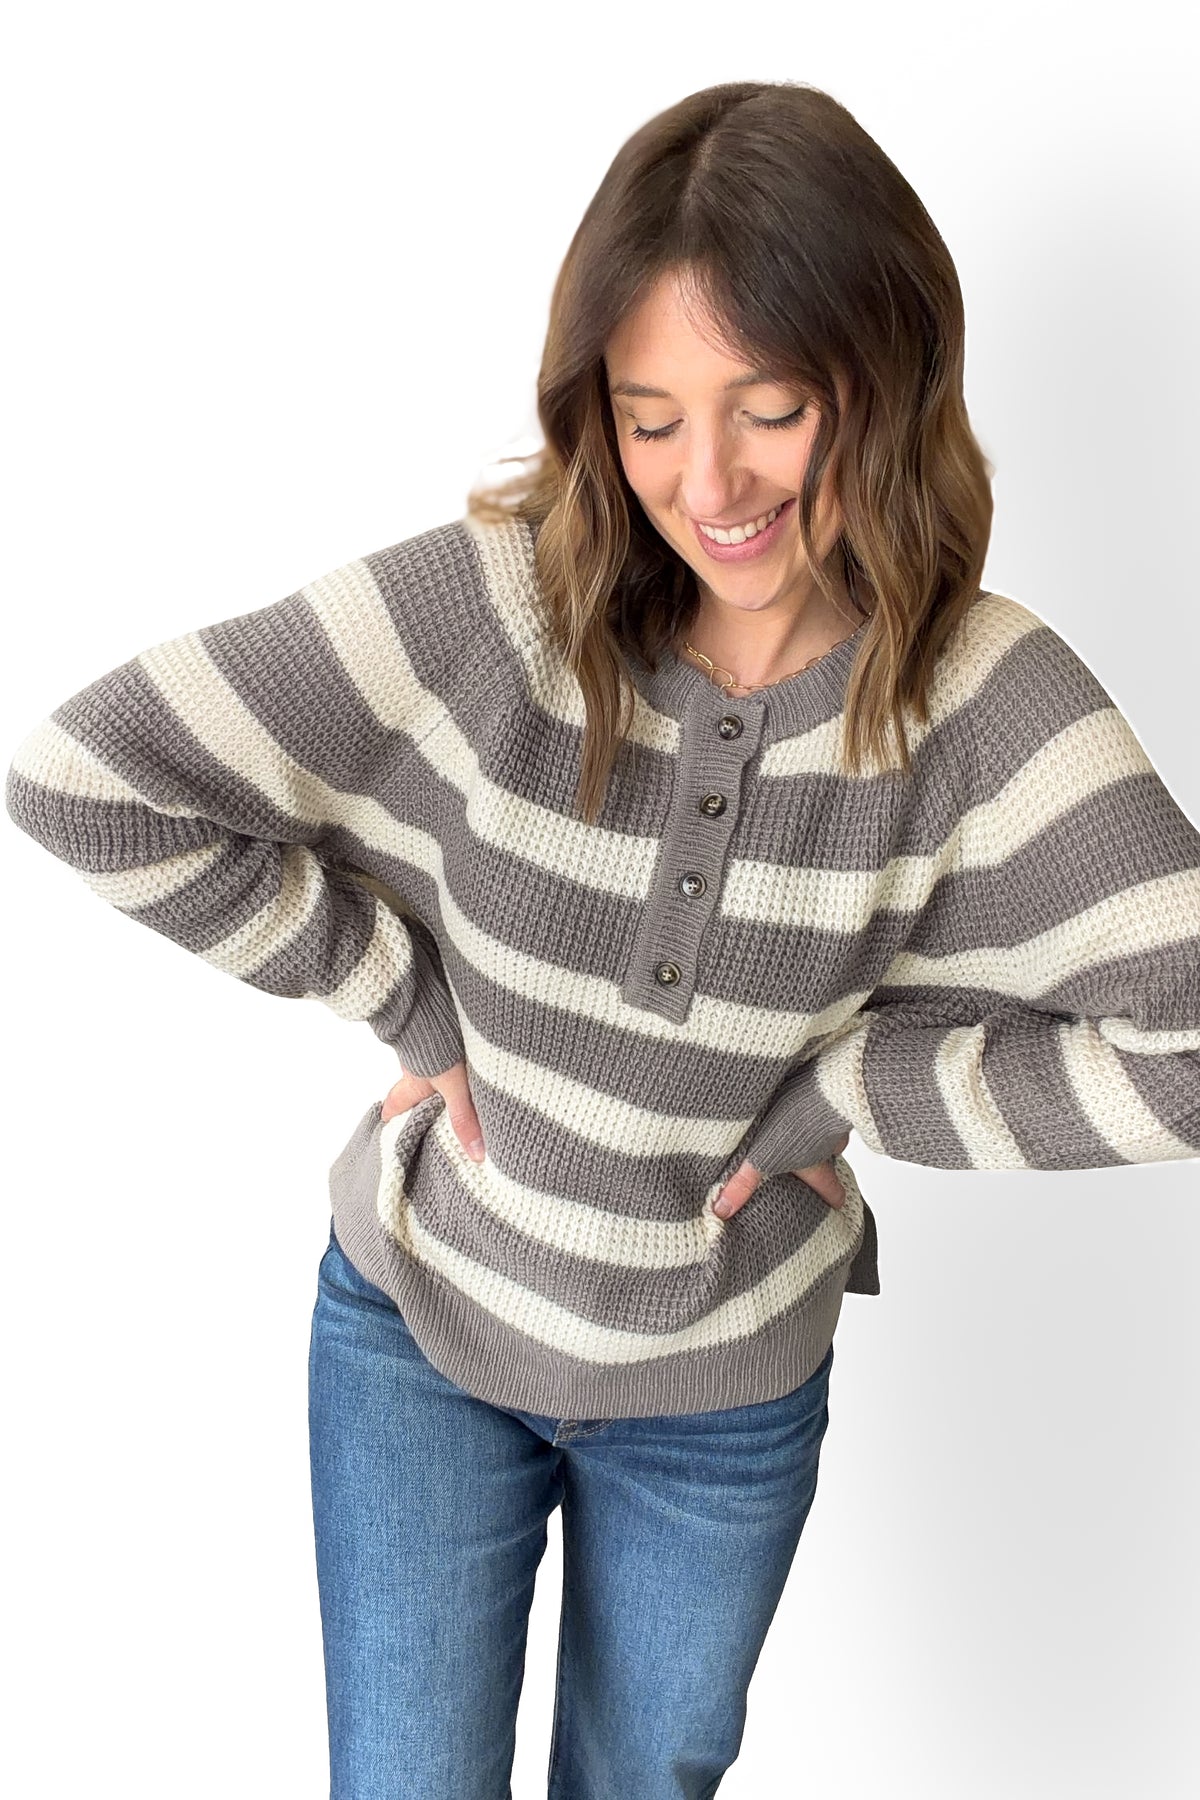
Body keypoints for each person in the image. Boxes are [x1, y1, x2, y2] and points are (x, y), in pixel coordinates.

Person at [6, 78, 1199, 1800]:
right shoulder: (502, 602)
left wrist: (865, 1083)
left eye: (769, 408)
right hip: (420, 1335)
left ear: (886, 379)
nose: (704, 483)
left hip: (722, 1401)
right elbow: (89, 777)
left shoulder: (983, 700)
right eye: (649, 419)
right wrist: (401, 996)